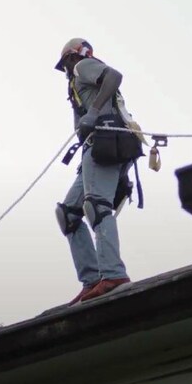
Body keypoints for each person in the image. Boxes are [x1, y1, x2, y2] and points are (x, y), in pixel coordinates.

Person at [54, 38, 138, 305]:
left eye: (66, 61)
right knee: (68, 213)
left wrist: (93, 114)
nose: (66, 68)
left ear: (73, 56)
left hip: (105, 142)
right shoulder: (76, 85)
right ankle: (91, 280)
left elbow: (114, 76)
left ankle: (113, 274)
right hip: (96, 146)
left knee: (97, 205)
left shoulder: (83, 67)